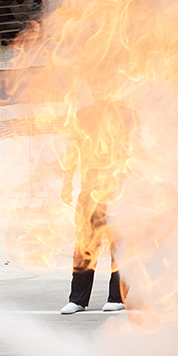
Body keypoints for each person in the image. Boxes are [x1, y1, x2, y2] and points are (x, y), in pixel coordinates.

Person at [59, 99, 134, 314]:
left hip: (119, 191)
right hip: (90, 192)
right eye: (94, 84)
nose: (98, 87)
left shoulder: (126, 113)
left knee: (120, 244)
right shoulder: (83, 115)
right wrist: (67, 181)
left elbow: (138, 150)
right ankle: (78, 299)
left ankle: (117, 296)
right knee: (85, 245)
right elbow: (72, 151)